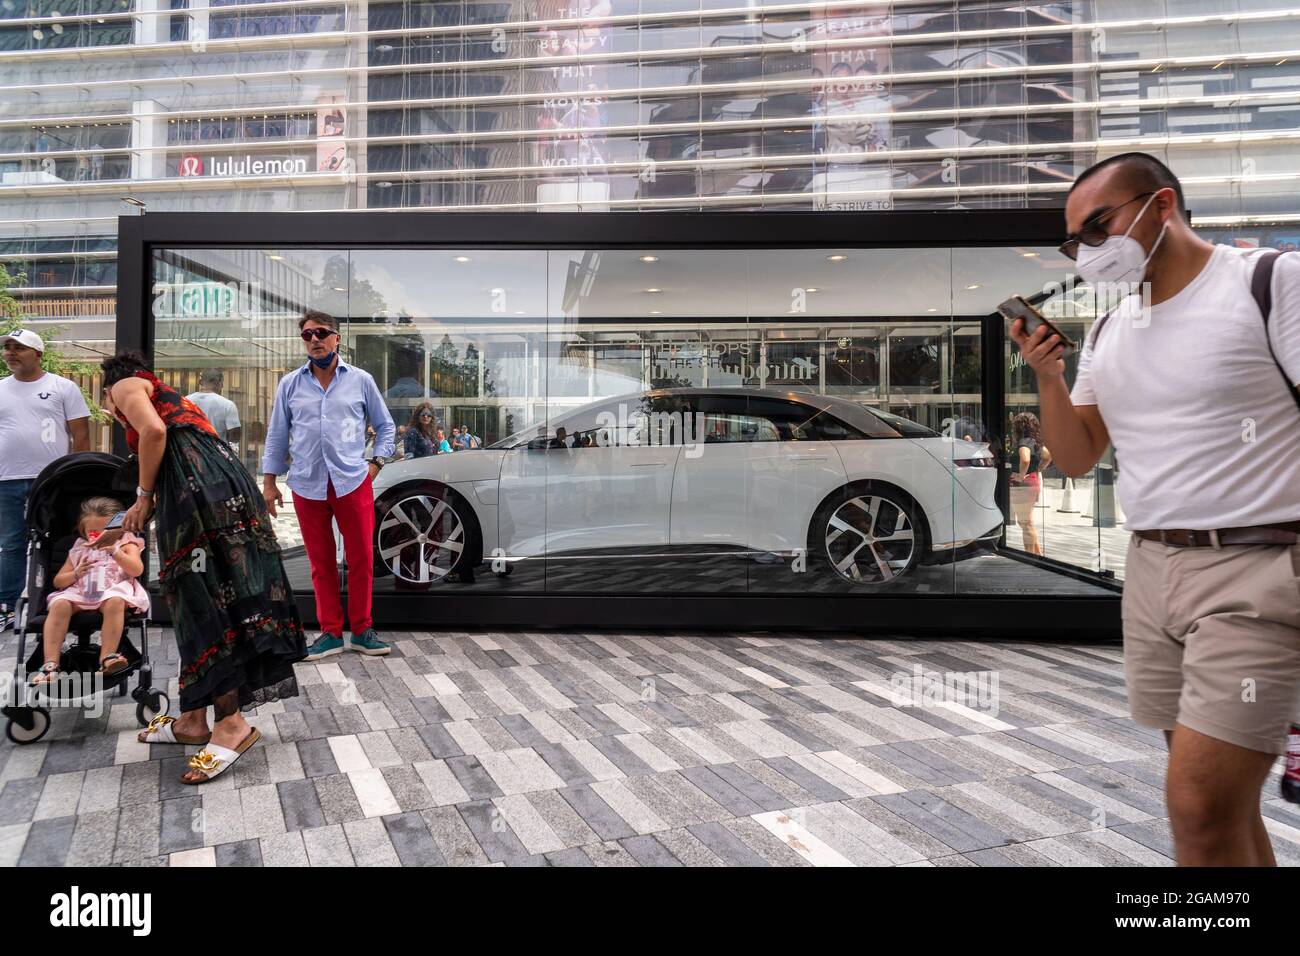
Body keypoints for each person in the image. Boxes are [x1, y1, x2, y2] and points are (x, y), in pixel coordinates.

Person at [1009, 151, 1300, 866]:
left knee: (1197, 807)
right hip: (1151, 573)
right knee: (1222, 814)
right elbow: (1076, 458)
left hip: (1257, 568)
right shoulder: (1112, 332)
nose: (1087, 251)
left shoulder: (1270, 282)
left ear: (1160, 205)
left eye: (1098, 227)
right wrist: (1047, 373)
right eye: (1075, 241)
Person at [101, 349, 305, 784]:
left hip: (195, 494)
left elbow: (153, 431)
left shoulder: (123, 386)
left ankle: (231, 724)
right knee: (211, 592)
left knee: (202, 598)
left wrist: (143, 495)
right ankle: (195, 718)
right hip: (218, 487)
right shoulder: (171, 397)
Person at [262, 310, 395, 662]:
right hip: (307, 483)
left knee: (362, 558)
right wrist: (269, 483)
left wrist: (376, 463)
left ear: (337, 338)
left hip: (352, 481)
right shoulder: (290, 384)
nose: (314, 339)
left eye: (321, 332)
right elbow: (277, 435)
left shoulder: (361, 380)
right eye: (307, 335)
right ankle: (331, 633)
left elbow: (386, 427)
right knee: (320, 562)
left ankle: (363, 631)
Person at [0, 328, 90, 631]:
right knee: (11, 544)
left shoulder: (63, 387)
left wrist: (79, 475)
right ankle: (7, 608)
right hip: (7, 479)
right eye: (7, 348)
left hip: (53, 481)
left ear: (37, 354)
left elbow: (80, 434)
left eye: (18, 348)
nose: (11, 353)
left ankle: (55, 602)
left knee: (56, 540)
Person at [29, 496, 148, 686]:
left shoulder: (126, 543)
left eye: (106, 533)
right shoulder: (79, 547)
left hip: (111, 590)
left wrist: (115, 552)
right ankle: (50, 664)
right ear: (83, 531)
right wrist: (75, 574)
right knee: (59, 604)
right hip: (80, 591)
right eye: (94, 533)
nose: (100, 537)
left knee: (115, 601)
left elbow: (136, 570)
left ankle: (108, 657)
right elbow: (59, 581)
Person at [1008, 411, 1051, 555]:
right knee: (1027, 522)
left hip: (1023, 486)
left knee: (1025, 524)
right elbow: (1048, 456)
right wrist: (1038, 469)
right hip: (1032, 482)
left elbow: (1025, 459)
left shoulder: (1023, 442)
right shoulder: (1035, 442)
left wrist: (1020, 475)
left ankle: (1030, 558)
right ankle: (1038, 556)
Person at [184, 368, 241, 449]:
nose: (223, 386)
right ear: (219, 383)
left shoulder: (186, 401)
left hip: (192, 453)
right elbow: (234, 439)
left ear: (200, 382)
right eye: (222, 383)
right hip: (217, 455)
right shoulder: (228, 405)